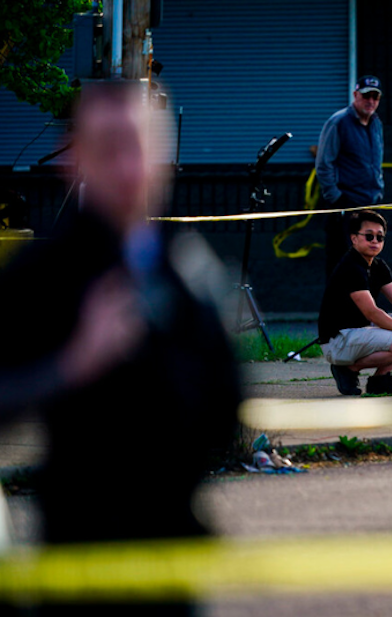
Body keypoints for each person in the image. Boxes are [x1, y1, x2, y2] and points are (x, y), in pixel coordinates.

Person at [0, 80, 242, 615]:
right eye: (109, 150)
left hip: (170, 552)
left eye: (141, 146)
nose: (129, 169)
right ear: (76, 159)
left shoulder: (187, 265)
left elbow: (227, 404)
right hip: (76, 554)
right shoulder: (42, 273)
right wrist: (75, 363)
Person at [317, 209, 392, 396]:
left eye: (379, 237)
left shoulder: (378, 266)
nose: (374, 241)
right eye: (368, 236)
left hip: (358, 332)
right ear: (354, 238)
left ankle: (380, 379)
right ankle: (348, 369)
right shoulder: (350, 267)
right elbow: (372, 313)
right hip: (338, 340)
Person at [315, 75, 385, 278]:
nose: (370, 101)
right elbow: (323, 164)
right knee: (342, 266)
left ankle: (361, 310)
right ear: (355, 95)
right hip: (346, 206)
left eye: (375, 97)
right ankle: (337, 310)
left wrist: (378, 190)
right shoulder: (339, 122)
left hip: (371, 204)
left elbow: (375, 162)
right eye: (366, 96)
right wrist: (337, 199)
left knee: (367, 266)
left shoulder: (375, 123)